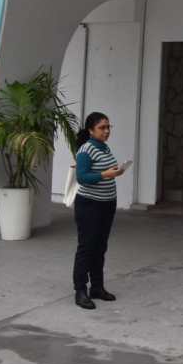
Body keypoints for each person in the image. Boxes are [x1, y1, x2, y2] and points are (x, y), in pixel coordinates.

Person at [73, 112, 124, 310]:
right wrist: (105, 174)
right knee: (86, 247)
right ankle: (80, 290)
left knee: (100, 247)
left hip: (106, 204)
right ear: (91, 130)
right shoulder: (86, 150)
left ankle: (97, 287)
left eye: (109, 127)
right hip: (89, 205)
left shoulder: (104, 147)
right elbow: (83, 177)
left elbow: (101, 172)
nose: (107, 131)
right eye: (102, 128)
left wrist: (115, 171)